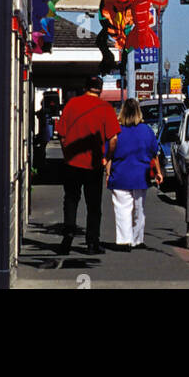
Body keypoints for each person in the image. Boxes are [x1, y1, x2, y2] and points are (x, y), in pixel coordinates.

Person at [54, 75, 119, 256]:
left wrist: (67, 153)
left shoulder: (72, 104)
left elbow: (61, 134)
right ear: (101, 90)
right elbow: (113, 139)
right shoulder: (105, 108)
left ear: (85, 88)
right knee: (93, 205)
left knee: (71, 200)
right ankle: (92, 243)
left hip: (72, 163)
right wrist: (107, 157)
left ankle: (67, 236)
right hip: (94, 164)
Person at [105, 99, 164, 251]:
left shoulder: (116, 130)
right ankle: (138, 240)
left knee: (122, 209)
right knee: (140, 209)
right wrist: (158, 172)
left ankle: (125, 241)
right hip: (140, 175)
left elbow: (109, 154)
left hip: (120, 175)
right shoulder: (147, 130)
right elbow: (154, 153)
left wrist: (107, 173)